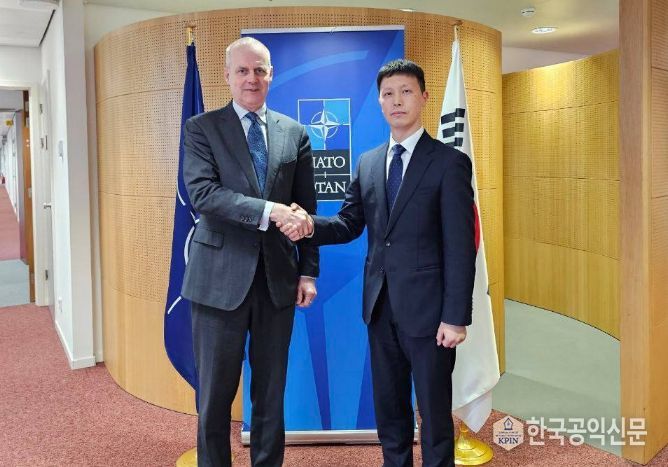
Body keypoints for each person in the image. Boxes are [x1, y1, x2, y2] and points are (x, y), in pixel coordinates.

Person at [279, 59, 476, 467]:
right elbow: (349, 223)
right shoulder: (369, 162)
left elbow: (461, 247)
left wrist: (456, 317)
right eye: (388, 94)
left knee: (434, 415)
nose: (396, 101)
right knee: (390, 411)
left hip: (431, 315)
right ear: (380, 102)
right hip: (380, 309)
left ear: (423, 97)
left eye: (406, 91)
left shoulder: (449, 163)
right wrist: (308, 224)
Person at [181, 37, 319, 467]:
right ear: (227, 75)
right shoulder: (201, 128)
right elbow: (203, 194)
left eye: (259, 70)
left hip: (277, 282)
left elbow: (306, 210)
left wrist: (307, 272)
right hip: (217, 281)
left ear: (271, 74)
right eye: (242, 70)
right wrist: (268, 210)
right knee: (214, 396)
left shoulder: (294, 133)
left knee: (270, 394)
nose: (251, 79)